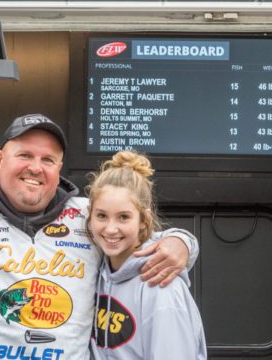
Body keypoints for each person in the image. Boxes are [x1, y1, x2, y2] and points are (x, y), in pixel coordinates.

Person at [0, 70, 199, 360]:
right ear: (0, 159)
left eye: (48, 160)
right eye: (24, 155)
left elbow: (142, 241)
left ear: (59, 168)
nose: (35, 168)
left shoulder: (87, 216)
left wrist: (182, 242)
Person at [87, 150, 207, 360]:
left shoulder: (160, 284)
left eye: (123, 217)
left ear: (143, 220)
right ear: (89, 215)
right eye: (102, 216)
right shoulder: (98, 268)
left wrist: (184, 241)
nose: (110, 229)